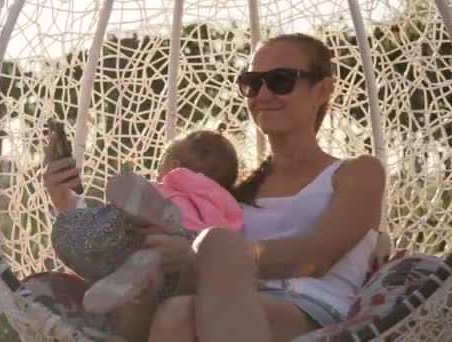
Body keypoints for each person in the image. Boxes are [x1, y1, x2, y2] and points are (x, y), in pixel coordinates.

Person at [144, 33, 386, 341]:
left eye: (281, 80)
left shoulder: (356, 172)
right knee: (174, 312)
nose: (263, 94)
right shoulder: (234, 190)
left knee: (215, 244)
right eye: (252, 82)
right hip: (224, 303)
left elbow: (317, 256)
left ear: (322, 90)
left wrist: (208, 254)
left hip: (315, 312)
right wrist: (66, 196)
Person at [45, 129, 243, 315]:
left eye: (159, 168)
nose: (157, 175)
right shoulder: (229, 207)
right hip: (183, 270)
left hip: (137, 237)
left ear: (173, 166)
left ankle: (152, 235)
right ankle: (144, 265)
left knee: (69, 228)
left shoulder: (170, 184)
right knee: (157, 275)